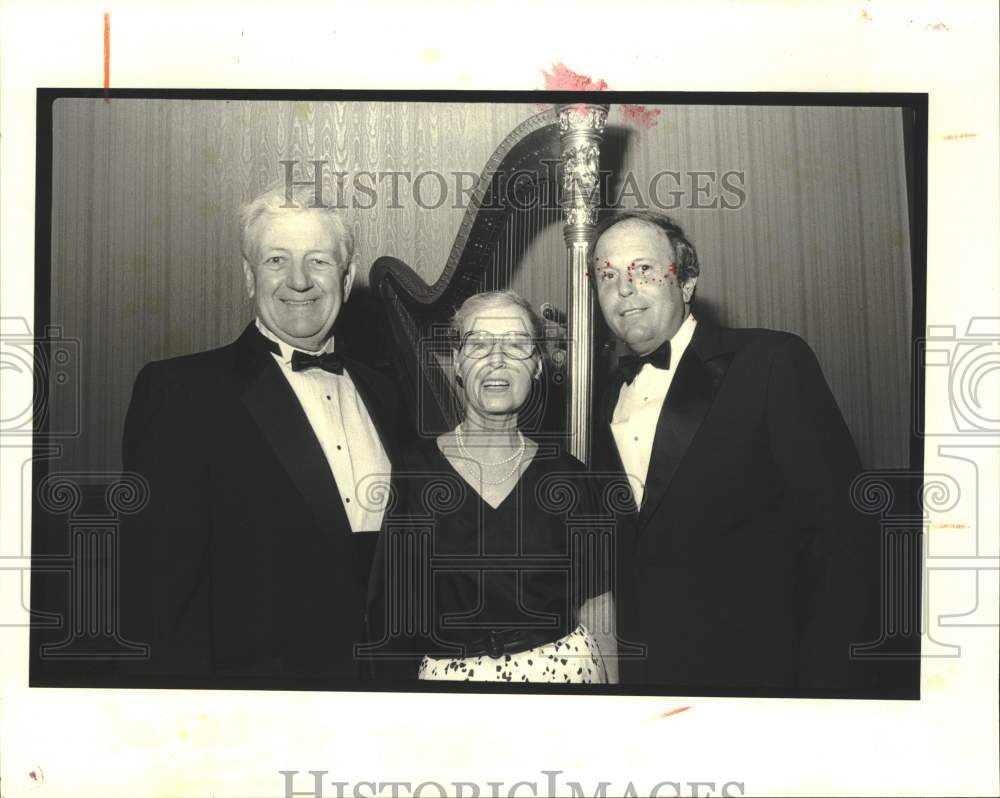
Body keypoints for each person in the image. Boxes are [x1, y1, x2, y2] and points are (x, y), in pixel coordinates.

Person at [117, 182, 400, 686]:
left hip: (386, 693)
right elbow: (160, 596)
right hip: (258, 702)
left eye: (317, 260)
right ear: (249, 277)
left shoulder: (388, 394)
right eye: (275, 261)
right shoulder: (181, 392)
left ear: (347, 275)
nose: (298, 281)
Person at [590, 209, 882, 691]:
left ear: (685, 283)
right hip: (647, 679)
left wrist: (827, 689)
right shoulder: (598, 398)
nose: (623, 289)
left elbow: (844, 538)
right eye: (607, 275)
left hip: (764, 676)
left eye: (643, 269)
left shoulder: (770, 362)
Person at [365, 290, 617, 683]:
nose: (497, 359)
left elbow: (597, 603)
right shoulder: (415, 470)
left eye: (517, 345)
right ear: (458, 364)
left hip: (565, 676)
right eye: (479, 344)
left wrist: (614, 710)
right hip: (453, 687)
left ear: (536, 366)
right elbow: (391, 613)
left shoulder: (571, 475)